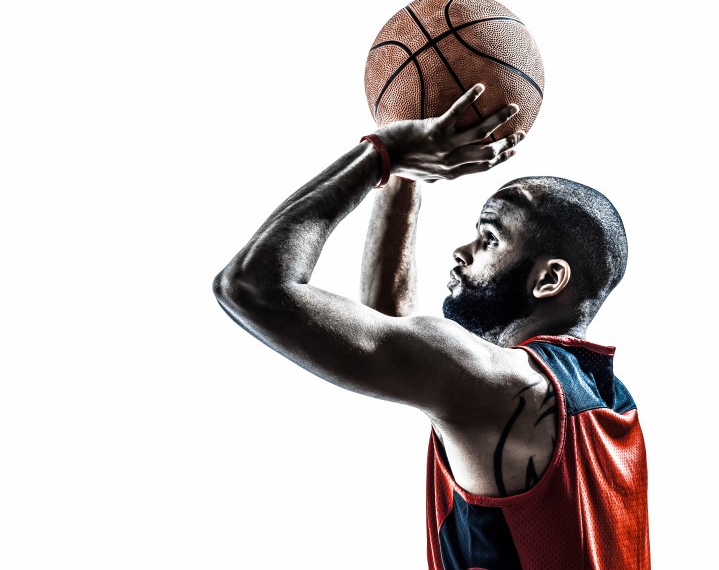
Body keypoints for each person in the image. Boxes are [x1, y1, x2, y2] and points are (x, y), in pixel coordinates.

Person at [213, 84, 650, 569]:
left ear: (548, 279)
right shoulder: (604, 403)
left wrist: (383, 153)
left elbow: (251, 287)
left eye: (489, 238)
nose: (461, 253)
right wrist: (405, 176)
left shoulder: (501, 386)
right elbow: (394, 326)